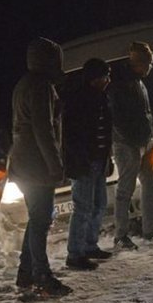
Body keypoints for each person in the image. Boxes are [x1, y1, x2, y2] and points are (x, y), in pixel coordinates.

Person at [9, 37, 72, 297]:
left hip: (24, 163)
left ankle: (26, 273)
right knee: (40, 220)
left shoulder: (23, 84)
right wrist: (55, 165)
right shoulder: (41, 86)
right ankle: (41, 276)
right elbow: (43, 129)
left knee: (36, 218)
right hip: (37, 165)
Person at [108, 41, 153, 250]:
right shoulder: (121, 84)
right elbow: (117, 117)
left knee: (150, 185)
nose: (150, 68)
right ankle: (120, 235)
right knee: (125, 190)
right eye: (148, 64)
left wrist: (147, 139)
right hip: (127, 144)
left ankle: (150, 229)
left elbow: (144, 114)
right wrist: (133, 140)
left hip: (144, 142)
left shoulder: (138, 83)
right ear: (140, 63)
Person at [62, 58, 114, 270]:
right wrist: (80, 160)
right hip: (84, 163)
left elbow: (105, 130)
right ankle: (75, 254)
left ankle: (90, 245)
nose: (108, 80)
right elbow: (72, 136)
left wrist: (107, 157)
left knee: (99, 204)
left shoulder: (102, 98)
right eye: (104, 76)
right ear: (95, 78)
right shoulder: (78, 100)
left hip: (99, 161)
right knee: (82, 208)